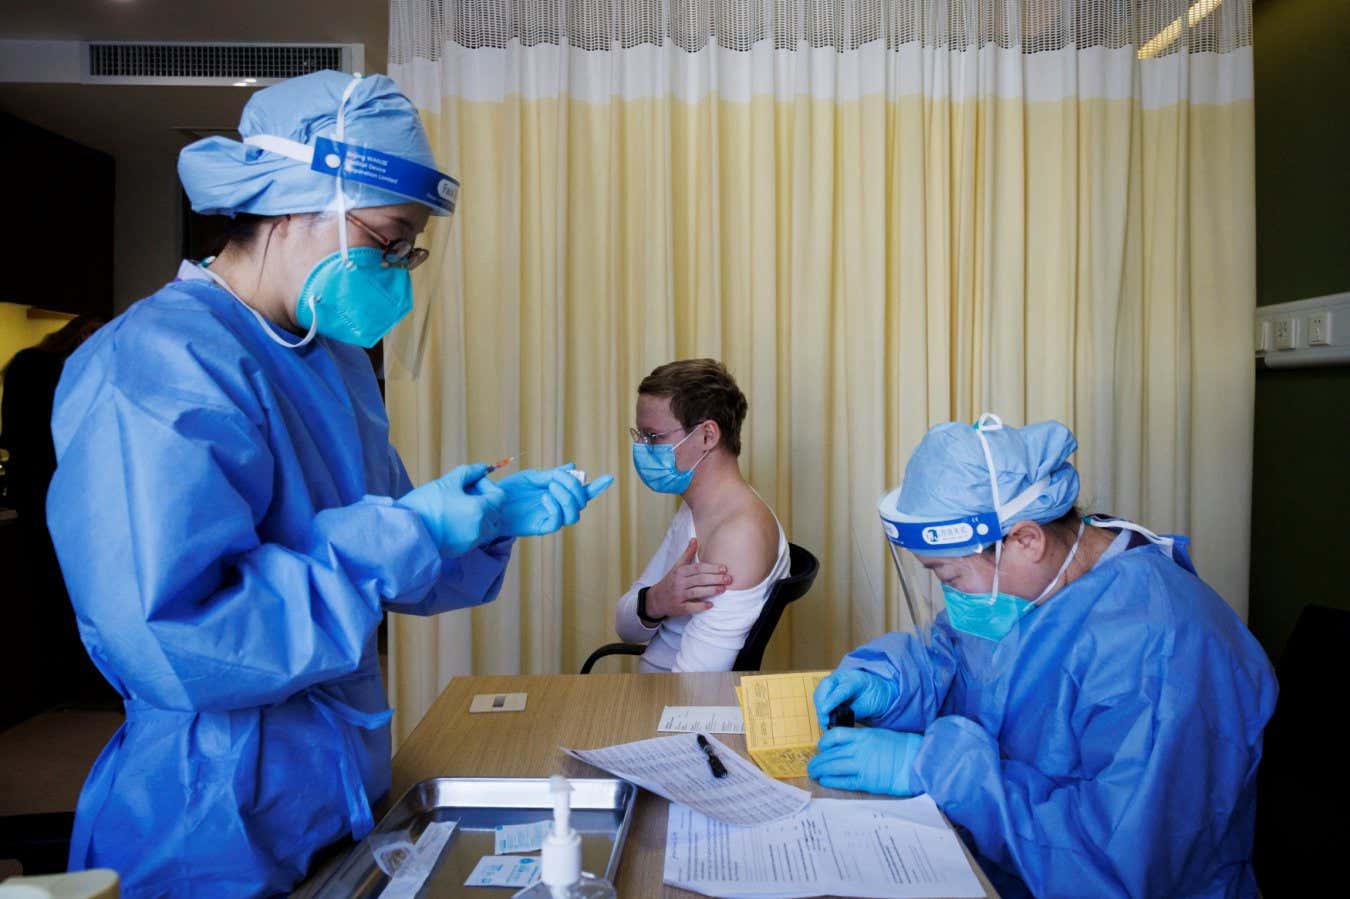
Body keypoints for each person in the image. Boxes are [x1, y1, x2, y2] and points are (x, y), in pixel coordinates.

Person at [45, 71, 612, 897]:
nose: (398, 273)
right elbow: (180, 637)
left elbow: (395, 554)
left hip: (338, 791)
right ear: (291, 202)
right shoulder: (155, 368)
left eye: (409, 249)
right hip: (213, 815)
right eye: (385, 240)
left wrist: (483, 519)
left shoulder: (331, 361)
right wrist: (411, 530)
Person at [808, 413, 1276, 898]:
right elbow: (957, 660)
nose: (952, 598)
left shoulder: (1164, 647)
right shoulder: (1039, 584)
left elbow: (1121, 864)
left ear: (1026, 540)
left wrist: (942, 771)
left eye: (950, 578)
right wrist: (892, 682)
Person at [614, 359, 789, 672]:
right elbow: (626, 625)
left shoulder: (739, 536)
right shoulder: (697, 508)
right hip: (654, 696)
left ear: (708, 436)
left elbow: (696, 689)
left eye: (653, 437)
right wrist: (655, 601)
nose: (641, 447)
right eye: (638, 435)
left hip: (670, 709)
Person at [1, 316, 108, 711]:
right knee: (58, 590)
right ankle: (72, 685)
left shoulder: (36, 367)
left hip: (48, 492)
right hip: (44, 492)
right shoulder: (40, 368)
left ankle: (74, 684)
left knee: (61, 590)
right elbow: (39, 436)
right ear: (79, 335)